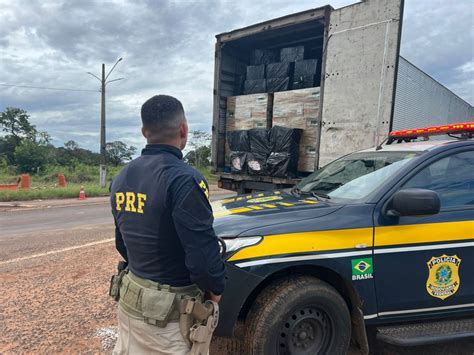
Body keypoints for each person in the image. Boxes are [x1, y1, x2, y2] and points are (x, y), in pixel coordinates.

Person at [110, 95, 226, 354]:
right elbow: (202, 256)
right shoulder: (185, 179)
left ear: (144, 132)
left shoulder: (121, 177)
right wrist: (215, 291)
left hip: (130, 303)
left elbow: (122, 243)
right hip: (168, 321)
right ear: (183, 130)